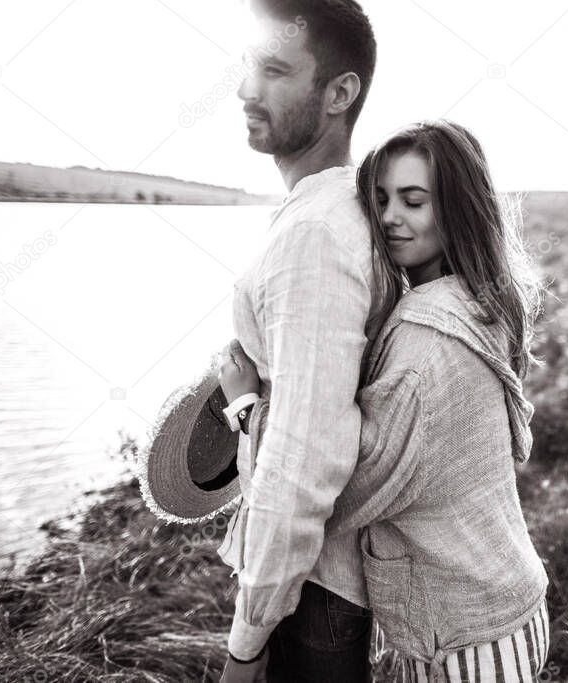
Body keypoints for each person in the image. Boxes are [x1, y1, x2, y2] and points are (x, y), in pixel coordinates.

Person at [222, 120, 551, 682]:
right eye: (381, 200)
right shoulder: (477, 301)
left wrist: (247, 408)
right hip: (503, 606)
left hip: (465, 645)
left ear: (458, 208)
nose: (391, 217)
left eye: (414, 201)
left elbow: (341, 487)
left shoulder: (424, 345)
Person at [214, 1, 387, 681]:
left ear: (340, 92)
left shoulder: (315, 234)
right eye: (248, 66)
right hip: (322, 584)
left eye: (275, 70)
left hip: (316, 594)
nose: (245, 90)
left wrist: (245, 641)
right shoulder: (344, 208)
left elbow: (302, 457)